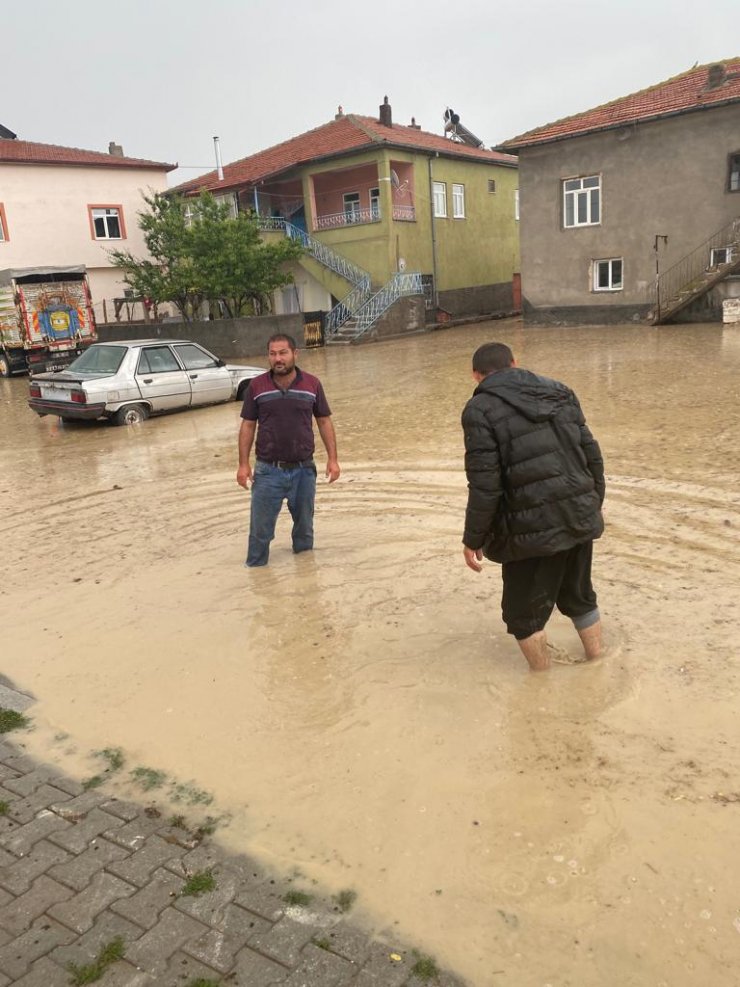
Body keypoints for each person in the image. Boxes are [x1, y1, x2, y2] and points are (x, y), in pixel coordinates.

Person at [461, 342, 605, 671]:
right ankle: (599, 664)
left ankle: (540, 683)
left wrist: (473, 537)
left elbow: (485, 483)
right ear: (514, 363)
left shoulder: (479, 410)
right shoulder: (561, 392)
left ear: (475, 376)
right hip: (579, 514)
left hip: (528, 530)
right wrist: (592, 504)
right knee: (579, 594)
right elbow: (592, 455)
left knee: (521, 614)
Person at [236, 334, 340, 567]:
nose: (278, 359)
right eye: (272, 354)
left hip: (304, 471)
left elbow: (324, 421)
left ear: (295, 354)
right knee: (259, 534)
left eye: (283, 353)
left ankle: (306, 578)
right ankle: (256, 577)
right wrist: (243, 464)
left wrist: (333, 459)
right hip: (267, 471)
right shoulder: (257, 386)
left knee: (304, 532)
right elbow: (248, 425)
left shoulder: (312, 384)